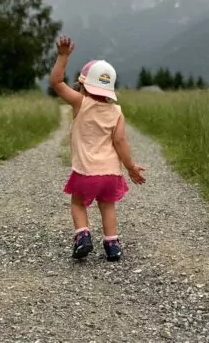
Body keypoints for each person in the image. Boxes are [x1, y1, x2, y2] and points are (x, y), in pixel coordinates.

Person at [49, 35, 146, 262]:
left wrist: (63, 57)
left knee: (78, 202)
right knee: (108, 207)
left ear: (83, 84)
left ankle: (83, 237)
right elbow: (120, 142)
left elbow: (56, 83)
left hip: (85, 171)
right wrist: (130, 167)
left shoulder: (80, 102)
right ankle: (112, 245)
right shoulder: (116, 111)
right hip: (111, 173)